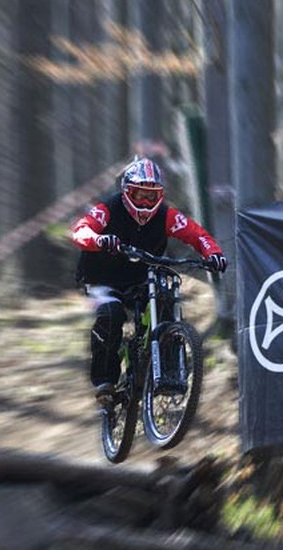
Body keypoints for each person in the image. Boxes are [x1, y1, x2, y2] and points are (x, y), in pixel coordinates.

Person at [71, 156, 227, 404]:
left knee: (165, 302)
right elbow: (81, 230)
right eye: (138, 195)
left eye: (151, 197)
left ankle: (166, 371)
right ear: (125, 192)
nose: (145, 202)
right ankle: (105, 381)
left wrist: (214, 254)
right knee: (110, 314)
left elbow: (197, 234)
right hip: (101, 279)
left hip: (141, 276)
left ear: (160, 196)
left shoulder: (166, 215)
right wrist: (99, 240)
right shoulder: (108, 209)